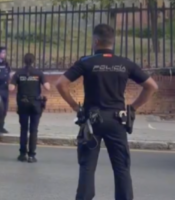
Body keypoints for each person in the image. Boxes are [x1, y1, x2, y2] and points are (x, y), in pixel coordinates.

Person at [55, 24, 158, 200]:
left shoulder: (86, 62)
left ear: (96, 41)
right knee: (121, 168)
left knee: (87, 167)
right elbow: (152, 86)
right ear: (112, 42)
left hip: (91, 121)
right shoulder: (125, 63)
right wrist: (132, 108)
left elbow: (60, 83)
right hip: (117, 120)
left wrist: (75, 106)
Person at [9, 53, 50, 163]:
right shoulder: (38, 73)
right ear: (34, 61)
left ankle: (22, 154)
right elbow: (47, 87)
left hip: (23, 103)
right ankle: (31, 155)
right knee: (33, 130)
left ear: (24, 61)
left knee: (23, 129)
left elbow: (11, 88)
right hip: (35, 103)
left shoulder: (19, 73)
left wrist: (13, 79)